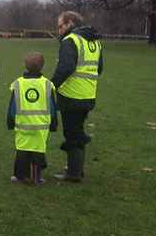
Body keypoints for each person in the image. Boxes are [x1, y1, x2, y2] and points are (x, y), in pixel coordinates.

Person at [51, 11, 103, 182]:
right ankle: (76, 169)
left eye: (60, 26)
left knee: (72, 134)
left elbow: (66, 68)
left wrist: (52, 86)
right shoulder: (94, 42)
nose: (59, 30)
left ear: (70, 23)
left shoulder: (70, 41)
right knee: (78, 131)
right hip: (88, 95)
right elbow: (99, 68)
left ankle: (73, 173)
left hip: (72, 95)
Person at [6, 52, 58, 185]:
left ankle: (20, 176)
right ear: (42, 67)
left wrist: (10, 121)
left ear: (25, 66)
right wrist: (54, 123)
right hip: (41, 126)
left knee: (22, 151)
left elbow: (13, 106)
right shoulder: (47, 84)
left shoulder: (18, 84)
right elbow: (52, 107)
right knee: (38, 152)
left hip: (23, 124)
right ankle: (36, 178)